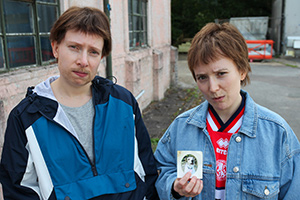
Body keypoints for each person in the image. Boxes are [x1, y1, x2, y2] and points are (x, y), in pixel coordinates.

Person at [0, 6, 158, 200]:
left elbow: (147, 172)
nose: (83, 61)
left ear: (101, 57)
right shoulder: (26, 118)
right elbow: (19, 192)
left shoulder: (124, 103)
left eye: (93, 52)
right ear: (56, 48)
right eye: (74, 47)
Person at [154, 22, 300, 200]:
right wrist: (174, 187)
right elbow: (160, 170)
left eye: (221, 73)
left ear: (242, 70)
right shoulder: (181, 128)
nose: (213, 87)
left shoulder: (277, 133)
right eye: (202, 77)